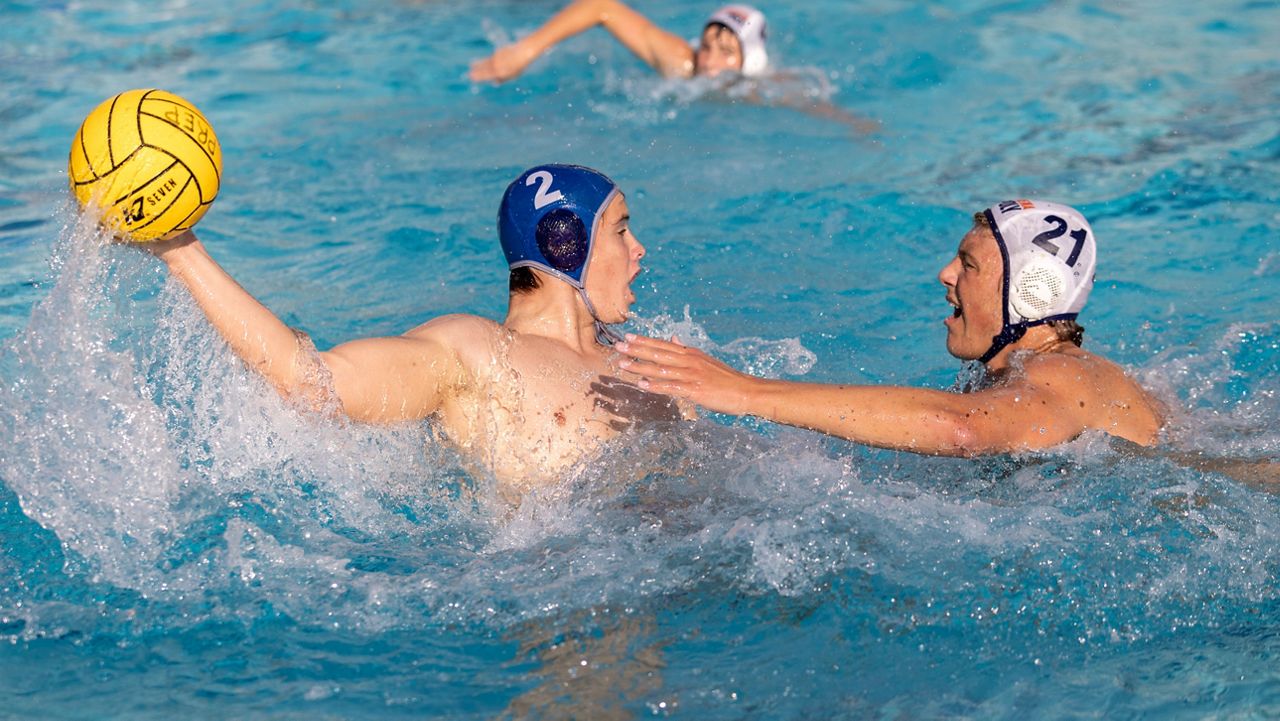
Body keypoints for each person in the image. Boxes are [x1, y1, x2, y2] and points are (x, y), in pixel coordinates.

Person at [144, 164, 678, 491]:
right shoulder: (472, 352)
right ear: (567, 242)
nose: (638, 250)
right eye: (622, 230)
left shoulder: (649, 364)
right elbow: (310, 385)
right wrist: (180, 250)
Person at [617, 200, 1166, 455]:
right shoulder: (1058, 373)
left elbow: (962, 429)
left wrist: (744, 391)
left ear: (1032, 293)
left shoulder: (1059, 376)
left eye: (969, 265)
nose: (945, 275)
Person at [470, 1, 769, 83]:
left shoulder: (764, 90)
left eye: (727, 52)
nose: (710, 62)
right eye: (706, 47)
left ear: (752, 60)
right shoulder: (682, 62)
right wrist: (525, 50)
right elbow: (603, 7)